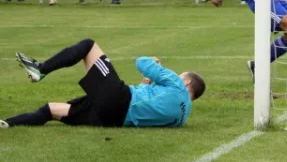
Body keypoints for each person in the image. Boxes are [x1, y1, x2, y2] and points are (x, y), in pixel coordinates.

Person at [1, 38, 205, 128]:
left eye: (180, 76)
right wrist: (146, 83)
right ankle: (7, 123)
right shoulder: (182, 117)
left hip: (119, 99)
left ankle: (40, 69)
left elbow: (141, 62)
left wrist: (153, 63)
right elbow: (146, 107)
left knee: (88, 45)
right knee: (52, 110)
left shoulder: (177, 86)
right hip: (114, 119)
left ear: (186, 82)